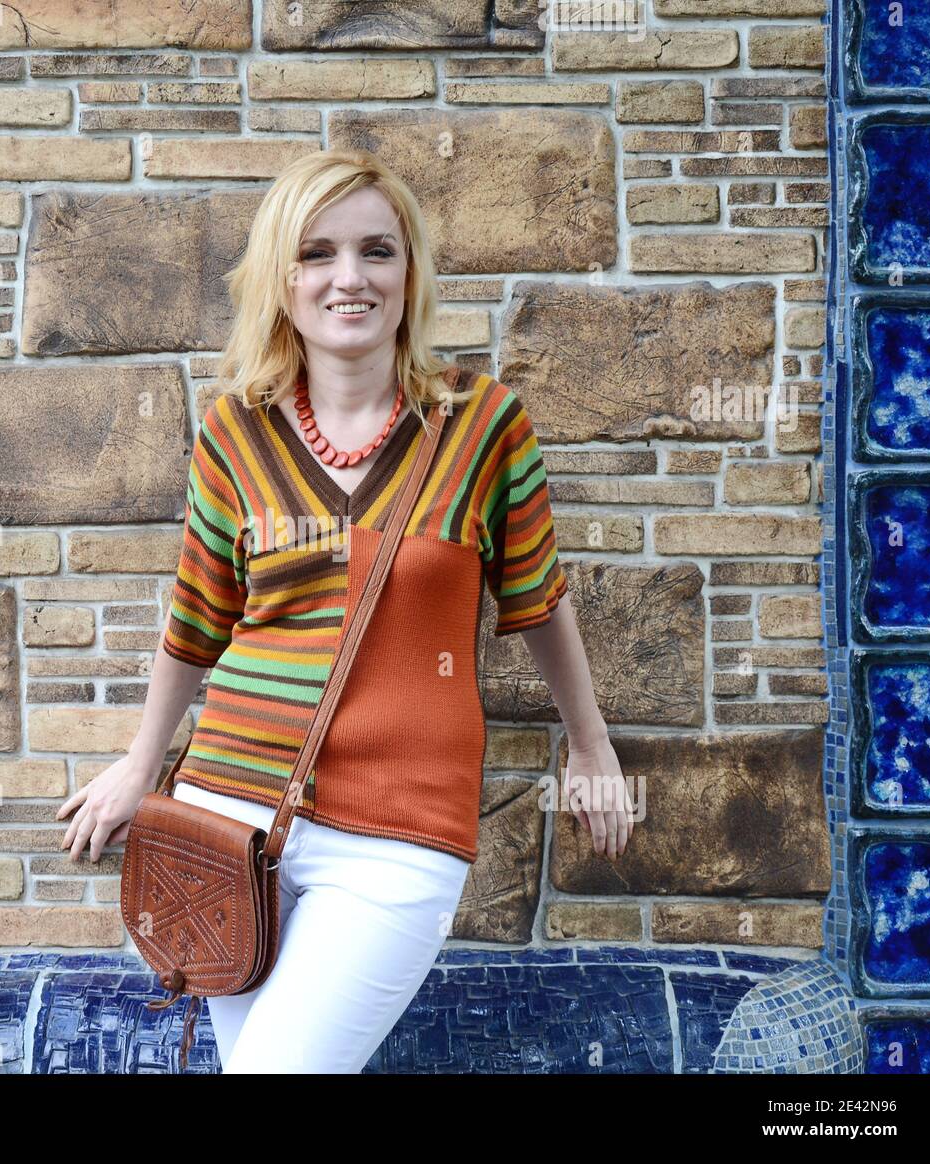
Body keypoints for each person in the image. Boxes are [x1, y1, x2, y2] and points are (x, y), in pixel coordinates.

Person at [56, 148, 634, 1073]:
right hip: (229, 815)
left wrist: (593, 746)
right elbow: (198, 621)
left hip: (400, 831)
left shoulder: (482, 425)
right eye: (318, 253)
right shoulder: (234, 432)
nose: (349, 278)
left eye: (377, 251)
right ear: (281, 279)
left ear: (411, 273)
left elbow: (538, 599)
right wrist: (141, 765)